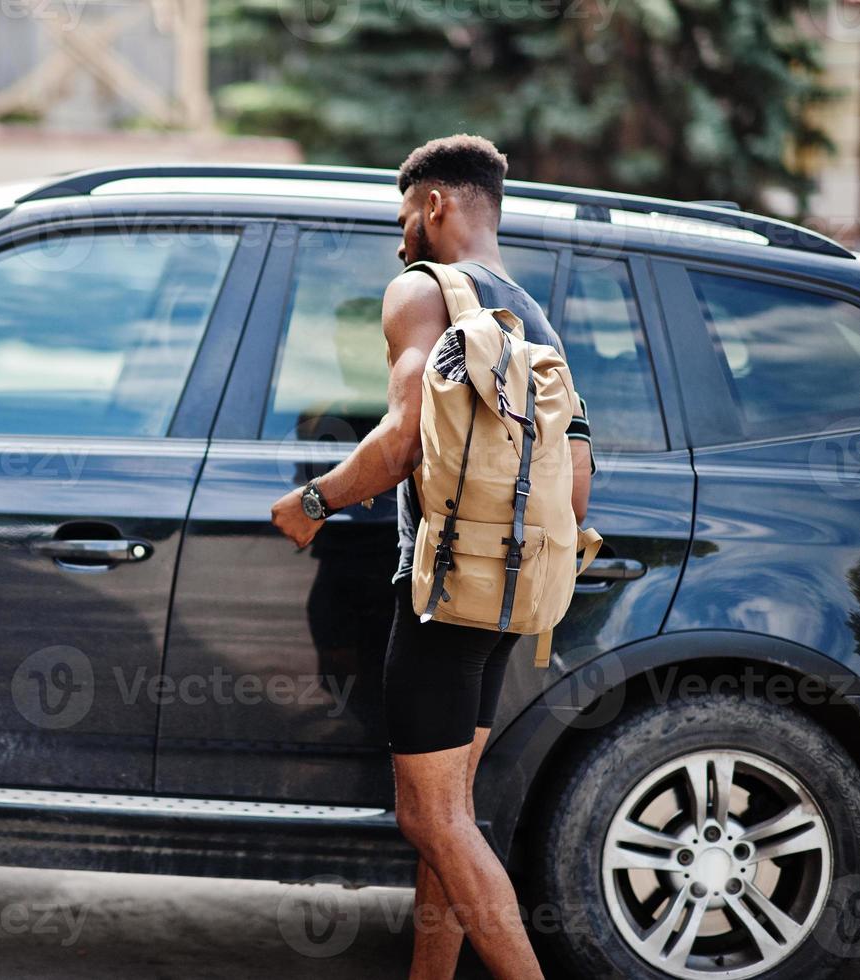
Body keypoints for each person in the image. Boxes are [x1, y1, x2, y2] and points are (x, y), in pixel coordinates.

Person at [270, 134, 594, 980]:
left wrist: (313, 501)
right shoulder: (530, 313)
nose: (398, 234)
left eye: (402, 214)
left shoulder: (422, 290)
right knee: (449, 811)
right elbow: (579, 479)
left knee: (429, 818)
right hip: (509, 596)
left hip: (443, 590)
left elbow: (402, 435)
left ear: (436, 205)